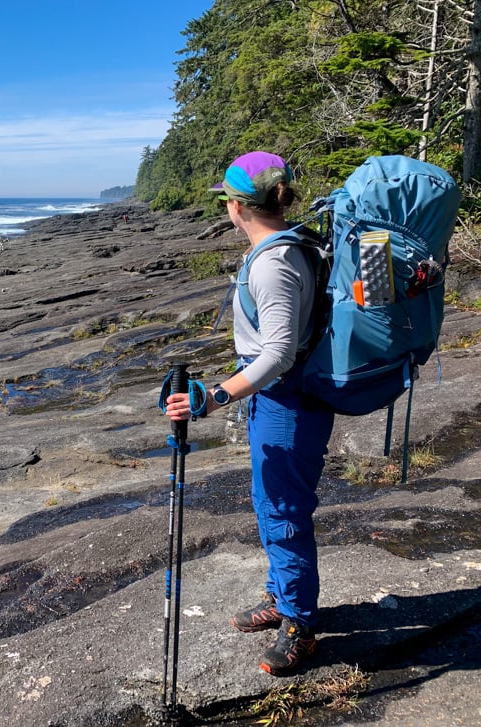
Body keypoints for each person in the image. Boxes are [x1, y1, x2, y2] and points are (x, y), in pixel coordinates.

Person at [164, 151, 334, 676]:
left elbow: (279, 351)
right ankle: (284, 596)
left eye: (226, 199)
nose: (226, 208)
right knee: (271, 504)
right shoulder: (287, 245)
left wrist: (214, 396)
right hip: (280, 397)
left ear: (238, 205)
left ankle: (300, 625)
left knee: (282, 512)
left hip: (288, 402)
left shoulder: (273, 263)